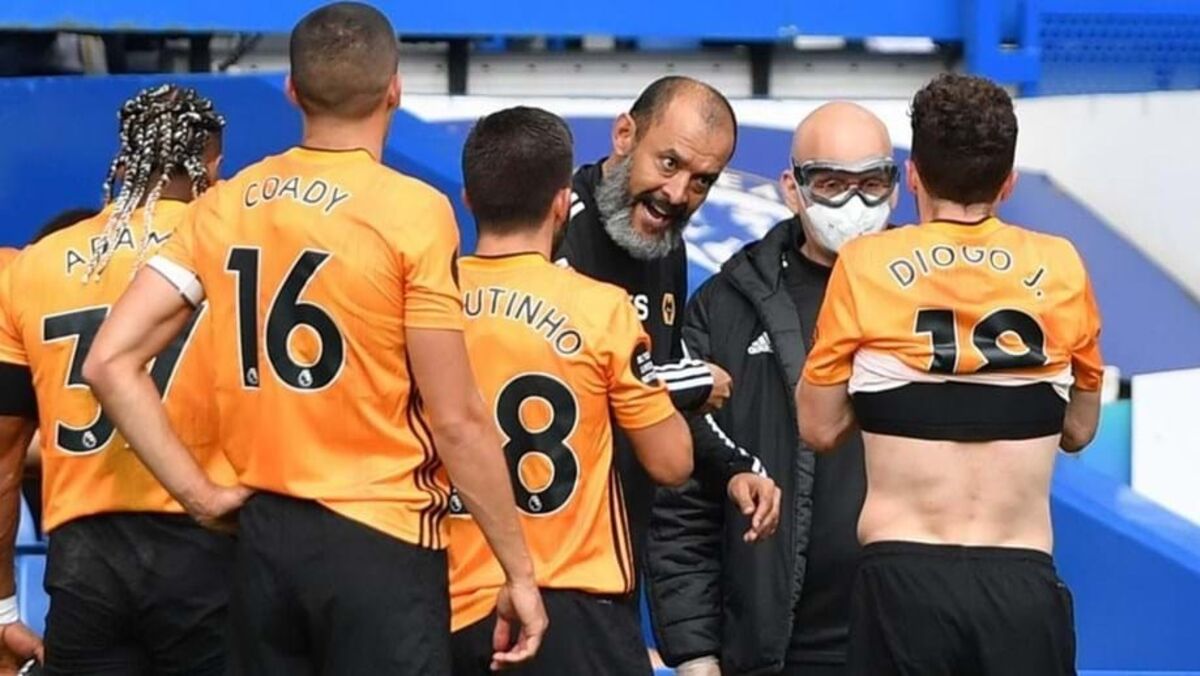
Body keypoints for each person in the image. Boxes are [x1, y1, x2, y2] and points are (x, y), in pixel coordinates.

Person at [82, 3, 546, 674]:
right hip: (381, 537)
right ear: (394, 90)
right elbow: (457, 417)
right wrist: (520, 572)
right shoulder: (413, 211)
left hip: (262, 538)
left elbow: (110, 360)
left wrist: (199, 496)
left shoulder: (228, 203)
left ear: (293, 91)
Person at [797, 73, 1103, 676]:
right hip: (1020, 586)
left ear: (913, 175)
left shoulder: (865, 264)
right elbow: (1079, 429)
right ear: (1008, 182)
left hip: (901, 585)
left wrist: (890, 389)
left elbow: (819, 427)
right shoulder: (1061, 265)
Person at [648, 102, 899, 676]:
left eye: (871, 183)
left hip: (908, 643)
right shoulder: (725, 306)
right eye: (831, 183)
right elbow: (685, 494)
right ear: (792, 188)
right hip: (774, 651)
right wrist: (695, 655)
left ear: (895, 185)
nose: (854, 203)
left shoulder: (936, 296)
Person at [449, 107, 693, 676]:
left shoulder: (427, 302)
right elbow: (672, 461)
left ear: (467, 199)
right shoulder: (600, 308)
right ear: (562, 203)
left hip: (450, 601)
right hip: (573, 606)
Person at [0, 84, 234, 674]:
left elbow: (3, 466)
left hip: (84, 555)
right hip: (208, 538)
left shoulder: (31, 266)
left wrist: (2, 609)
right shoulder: (232, 248)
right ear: (210, 166)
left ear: (124, 163)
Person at [556, 76, 780, 582]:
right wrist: (690, 381)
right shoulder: (558, 225)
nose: (678, 194)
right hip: (545, 557)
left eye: (702, 181)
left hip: (617, 557)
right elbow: (574, 384)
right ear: (624, 135)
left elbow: (663, 398)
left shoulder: (663, 243)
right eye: (669, 163)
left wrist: (735, 467)